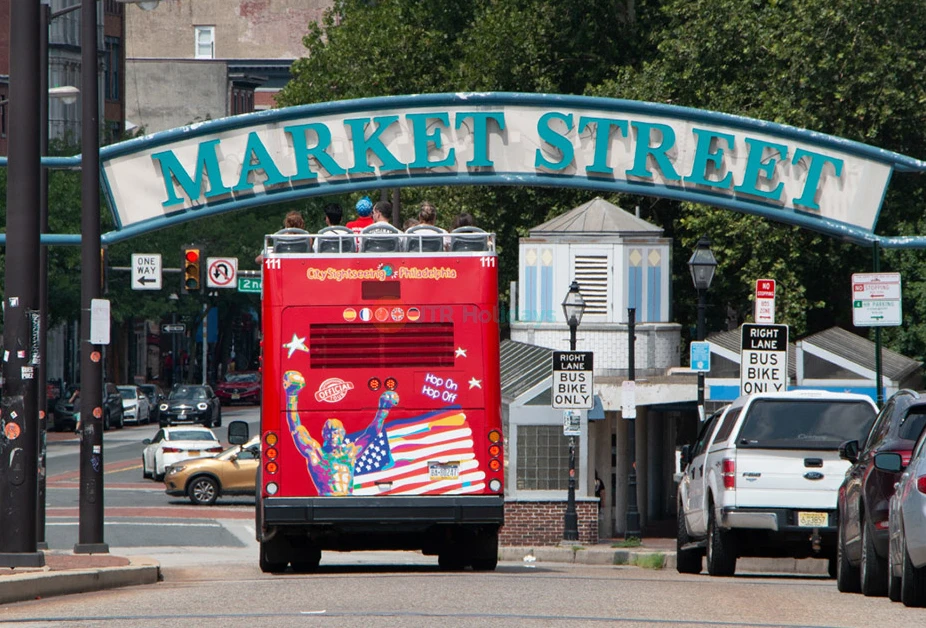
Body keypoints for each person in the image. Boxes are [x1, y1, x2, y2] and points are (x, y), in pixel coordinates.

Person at [283, 370, 398, 496]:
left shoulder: (349, 454)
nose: (332, 436)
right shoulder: (317, 454)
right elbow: (296, 427)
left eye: (336, 432)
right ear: (324, 435)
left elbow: (370, 434)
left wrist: (383, 410)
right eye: (329, 432)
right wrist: (291, 396)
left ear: (343, 434)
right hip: (326, 501)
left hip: (348, 500)